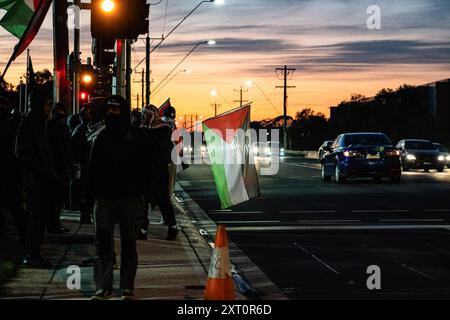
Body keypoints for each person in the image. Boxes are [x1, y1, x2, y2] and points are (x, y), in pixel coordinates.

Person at [87, 95, 152, 300]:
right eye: (109, 110)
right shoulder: (101, 137)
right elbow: (92, 168)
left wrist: (145, 196)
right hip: (104, 198)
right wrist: (88, 197)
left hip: (130, 198)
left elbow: (146, 167)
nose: (112, 113)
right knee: (103, 243)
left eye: (116, 110)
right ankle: (103, 287)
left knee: (128, 243)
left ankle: (127, 287)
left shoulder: (137, 137)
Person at [16, 88, 56, 268]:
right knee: (35, 218)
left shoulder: (42, 124)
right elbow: (23, 153)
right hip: (35, 180)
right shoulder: (30, 124)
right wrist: (41, 171)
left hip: (42, 179)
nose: (50, 108)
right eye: (48, 104)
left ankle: (34, 253)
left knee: (39, 218)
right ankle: (31, 254)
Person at [140, 105, 178, 241]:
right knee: (144, 200)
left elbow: (164, 153)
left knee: (162, 200)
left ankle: (172, 226)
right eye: (143, 115)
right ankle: (142, 228)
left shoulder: (164, 130)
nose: (144, 118)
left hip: (160, 171)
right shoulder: (142, 130)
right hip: (145, 172)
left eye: (146, 115)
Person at [0, 97, 25, 244]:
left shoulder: (12, 126)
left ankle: (19, 233)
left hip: (10, 172)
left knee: (14, 205)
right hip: (11, 172)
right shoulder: (13, 126)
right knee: (14, 206)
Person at [47, 103, 72, 233]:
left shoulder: (62, 127)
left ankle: (54, 222)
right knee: (55, 198)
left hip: (61, 168)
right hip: (56, 168)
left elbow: (66, 148)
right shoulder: (51, 127)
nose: (60, 113)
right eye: (58, 111)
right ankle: (53, 223)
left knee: (59, 198)